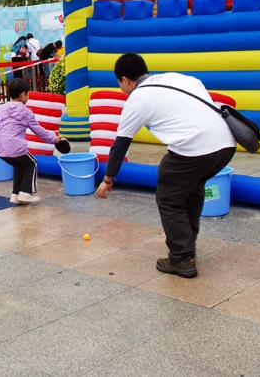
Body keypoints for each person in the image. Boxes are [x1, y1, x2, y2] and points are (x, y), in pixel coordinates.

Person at [96, 53, 236, 279]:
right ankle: (188, 247)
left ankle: (181, 258)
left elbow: (120, 144)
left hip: (195, 148)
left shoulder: (137, 98)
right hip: (227, 144)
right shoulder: (178, 78)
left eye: (120, 84)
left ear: (125, 80)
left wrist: (108, 179)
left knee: (169, 196)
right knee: (191, 188)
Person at [0, 78, 61, 204]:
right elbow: (39, 131)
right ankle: (26, 192)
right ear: (23, 94)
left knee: (19, 165)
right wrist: (54, 139)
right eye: (28, 93)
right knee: (32, 163)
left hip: (0, 149)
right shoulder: (26, 112)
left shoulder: (0, 109)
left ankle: (15, 194)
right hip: (15, 147)